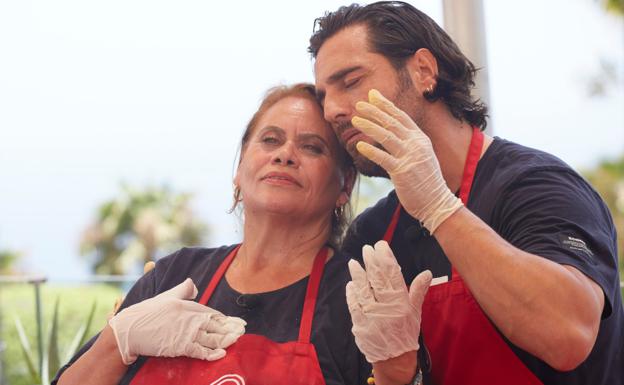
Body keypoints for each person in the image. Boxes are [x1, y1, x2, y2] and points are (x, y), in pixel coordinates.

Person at [309, 2, 624, 385]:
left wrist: (440, 208)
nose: (332, 111)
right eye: (324, 95)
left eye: (351, 81)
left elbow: (568, 335)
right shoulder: (373, 235)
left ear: (423, 71)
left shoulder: (537, 185)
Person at [52, 83, 378, 385]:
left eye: (312, 147)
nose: (285, 154)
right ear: (239, 170)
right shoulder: (173, 277)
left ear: (345, 185)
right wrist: (117, 341)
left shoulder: (358, 301)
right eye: (270, 140)